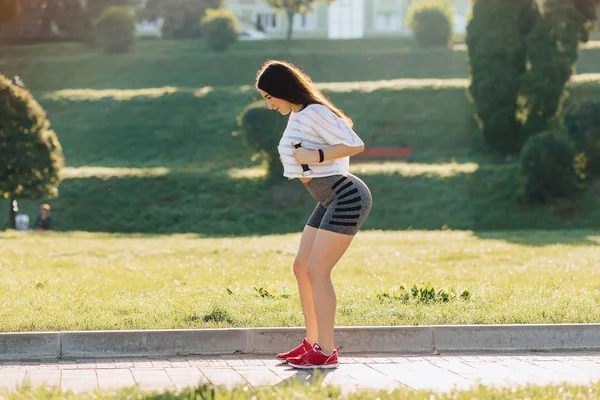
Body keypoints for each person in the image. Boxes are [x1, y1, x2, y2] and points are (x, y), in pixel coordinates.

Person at [255, 60, 373, 369]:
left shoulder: (314, 112)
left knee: (318, 271)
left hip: (346, 195)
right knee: (301, 267)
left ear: (281, 89)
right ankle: (312, 343)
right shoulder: (298, 114)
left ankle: (326, 351)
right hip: (327, 198)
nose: (268, 105)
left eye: (269, 97)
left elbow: (354, 144)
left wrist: (316, 155)